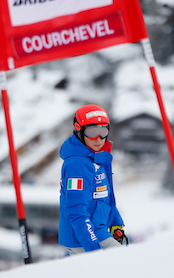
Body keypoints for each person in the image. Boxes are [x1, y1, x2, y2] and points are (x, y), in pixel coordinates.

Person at [58, 104, 127, 255]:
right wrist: (93, 249)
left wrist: (116, 223)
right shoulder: (78, 165)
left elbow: (105, 197)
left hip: (99, 231)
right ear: (79, 130)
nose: (99, 139)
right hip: (85, 238)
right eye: (92, 132)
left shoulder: (96, 157)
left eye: (103, 131)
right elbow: (76, 210)